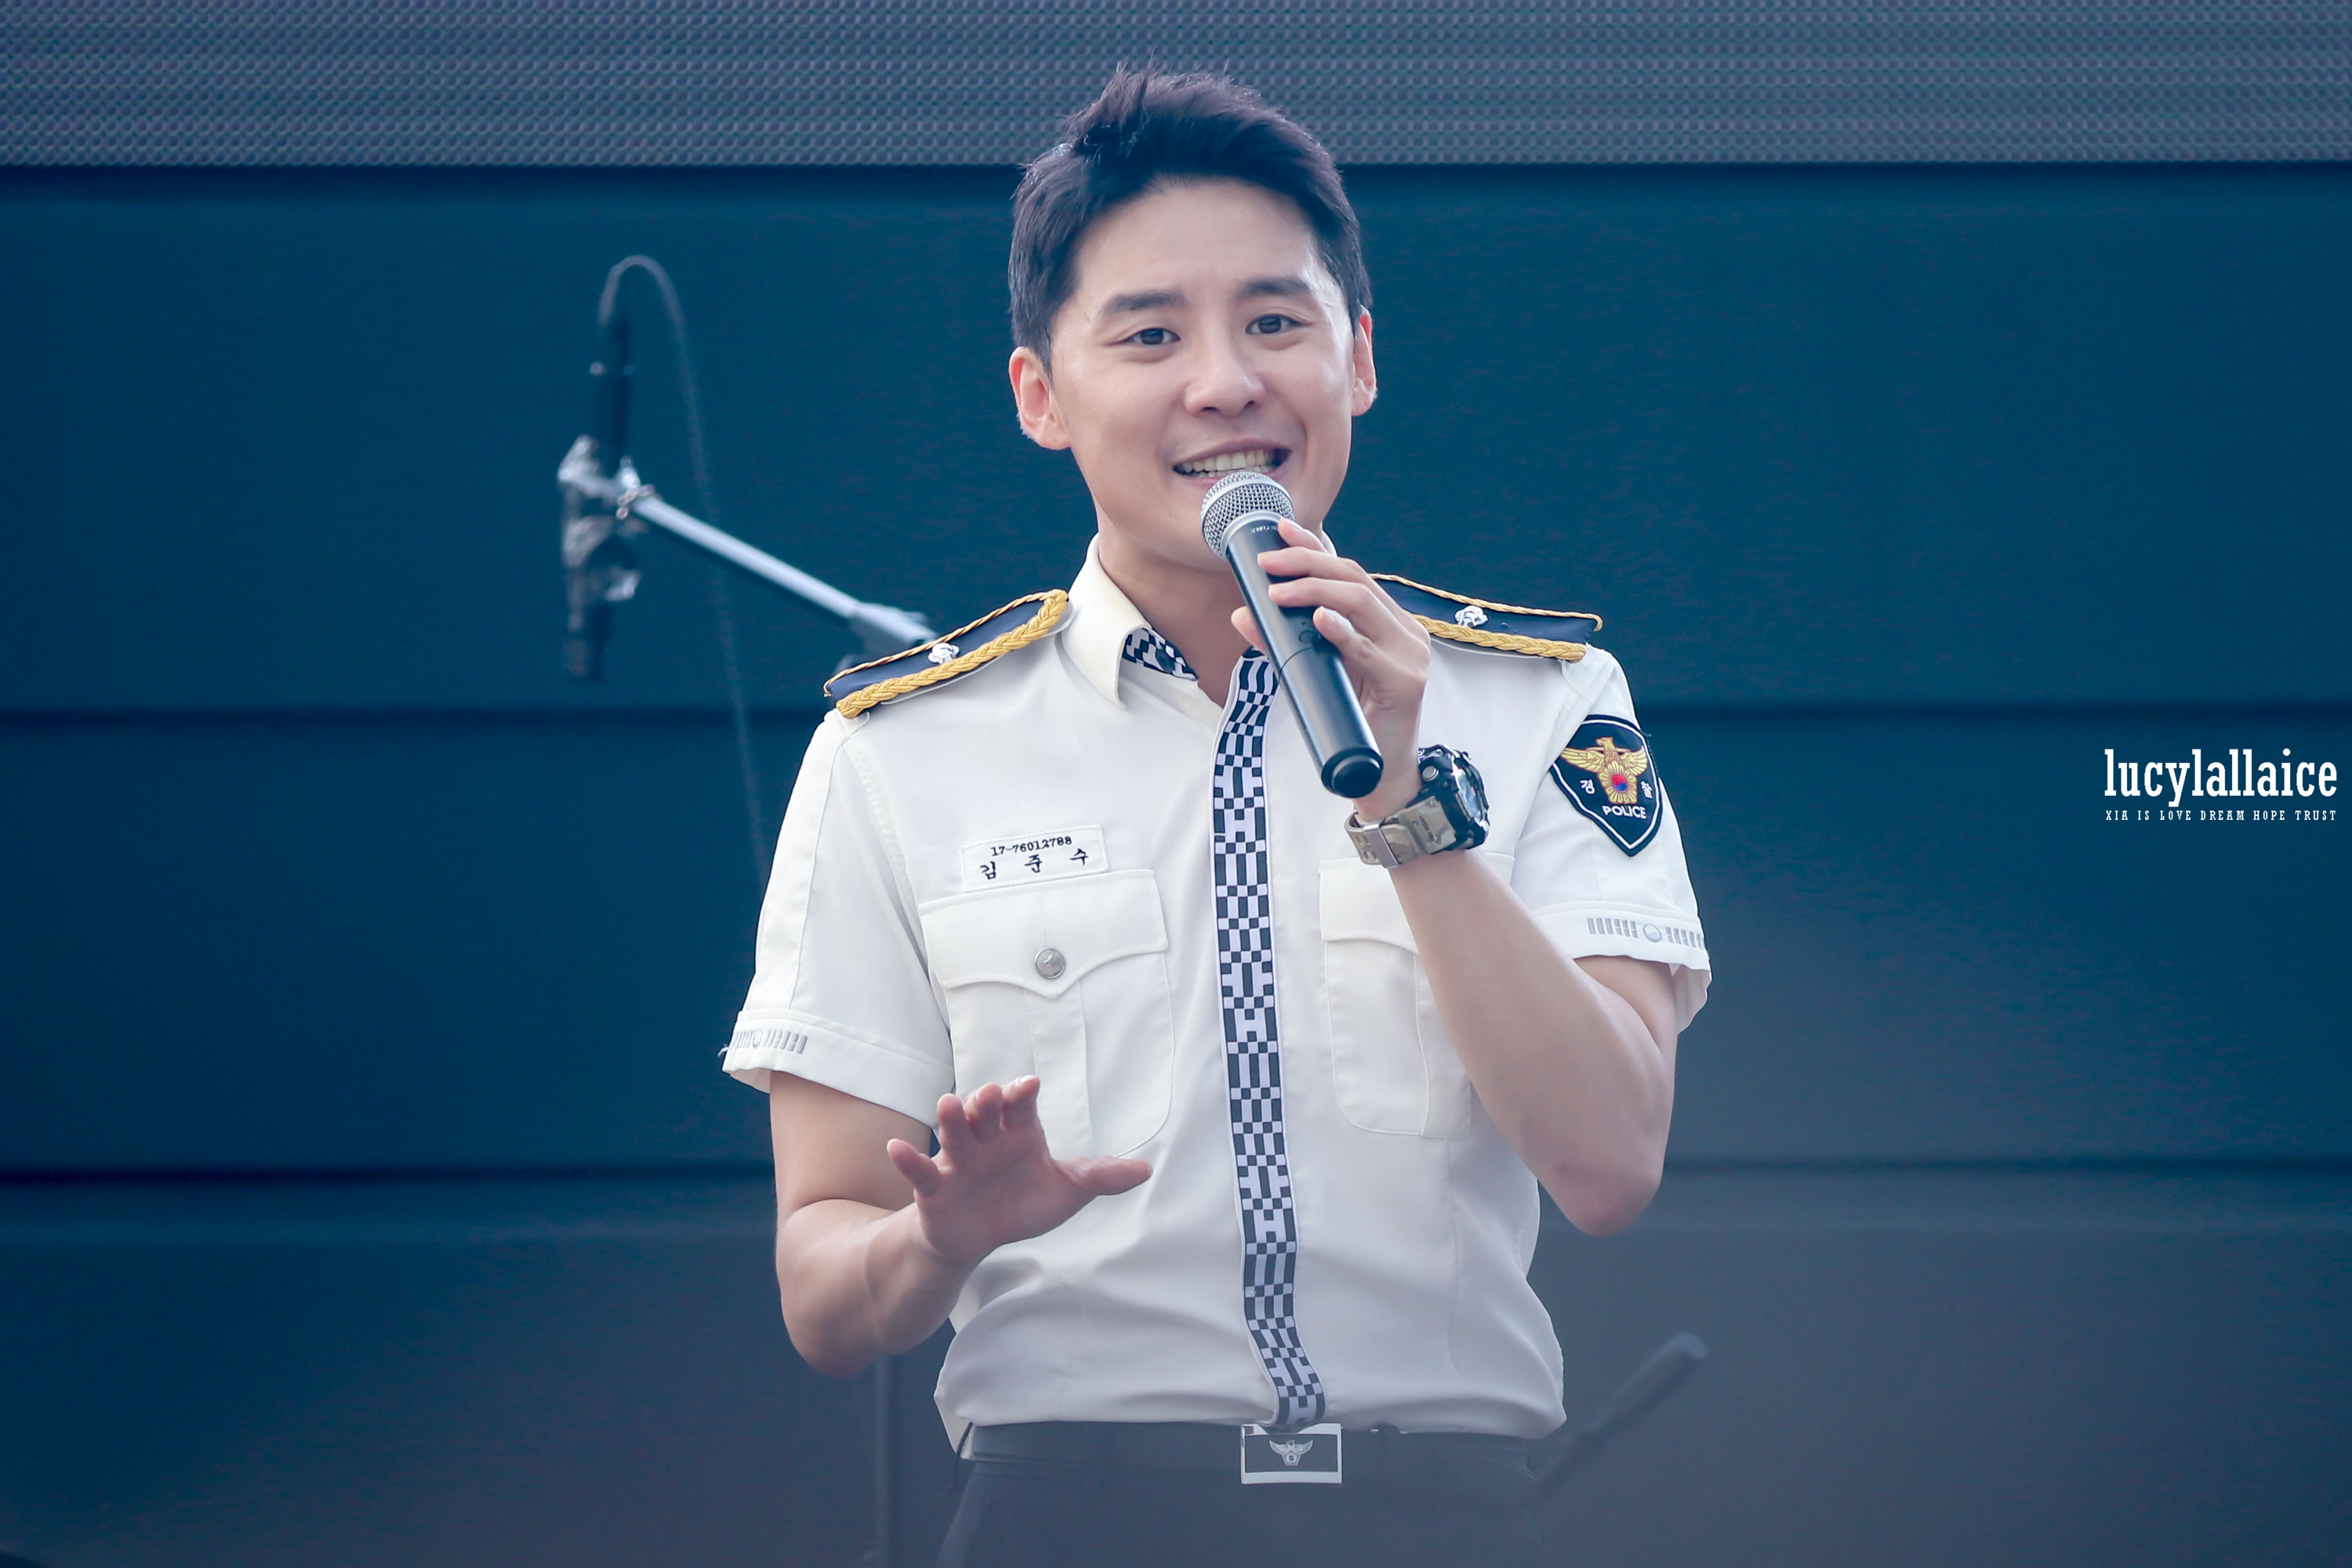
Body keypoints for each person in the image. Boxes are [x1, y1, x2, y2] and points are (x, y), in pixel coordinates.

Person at [722, 68, 1710, 1568]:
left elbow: (1609, 1163)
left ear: (1358, 357)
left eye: (1274, 322)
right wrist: (941, 1234)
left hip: (1444, 1514)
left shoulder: (1540, 701)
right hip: (1071, 1515)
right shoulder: (901, 750)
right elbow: (822, 1290)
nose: (1225, 383)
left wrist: (1407, 801)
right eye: (1149, 335)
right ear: (1039, 396)